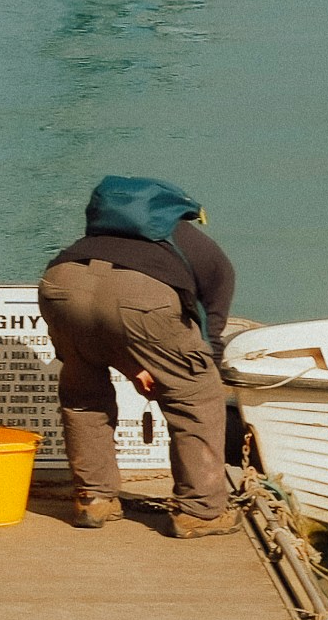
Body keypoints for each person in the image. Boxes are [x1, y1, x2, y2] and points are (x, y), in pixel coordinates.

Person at [36, 175, 238, 536]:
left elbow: (103, 326)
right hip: (143, 300)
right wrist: (207, 361)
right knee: (196, 396)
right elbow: (216, 293)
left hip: (62, 283)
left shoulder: (95, 235)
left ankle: (93, 499)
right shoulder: (185, 236)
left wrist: (133, 364)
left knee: (83, 395)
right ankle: (202, 511)